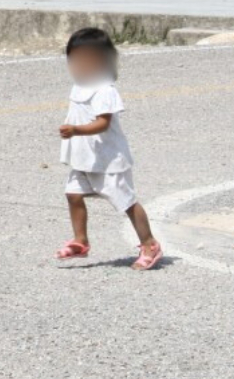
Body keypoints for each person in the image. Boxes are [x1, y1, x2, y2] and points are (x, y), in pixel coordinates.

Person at [55, 28, 162, 271]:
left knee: (126, 202)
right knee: (73, 195)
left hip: (108, 159)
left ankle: (149, 243)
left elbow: (103, 123)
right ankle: (80, 241)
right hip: (84, 157)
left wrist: (76, 131)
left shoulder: (105, 90)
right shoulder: (79, 86)